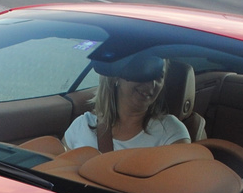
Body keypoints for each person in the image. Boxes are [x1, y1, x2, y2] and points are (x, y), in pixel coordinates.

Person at [63, 55, 191, 152]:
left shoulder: (170, 132)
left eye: (159, 76)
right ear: (116, 77)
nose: (151, 84)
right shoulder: (82, 125)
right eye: (143, 73)